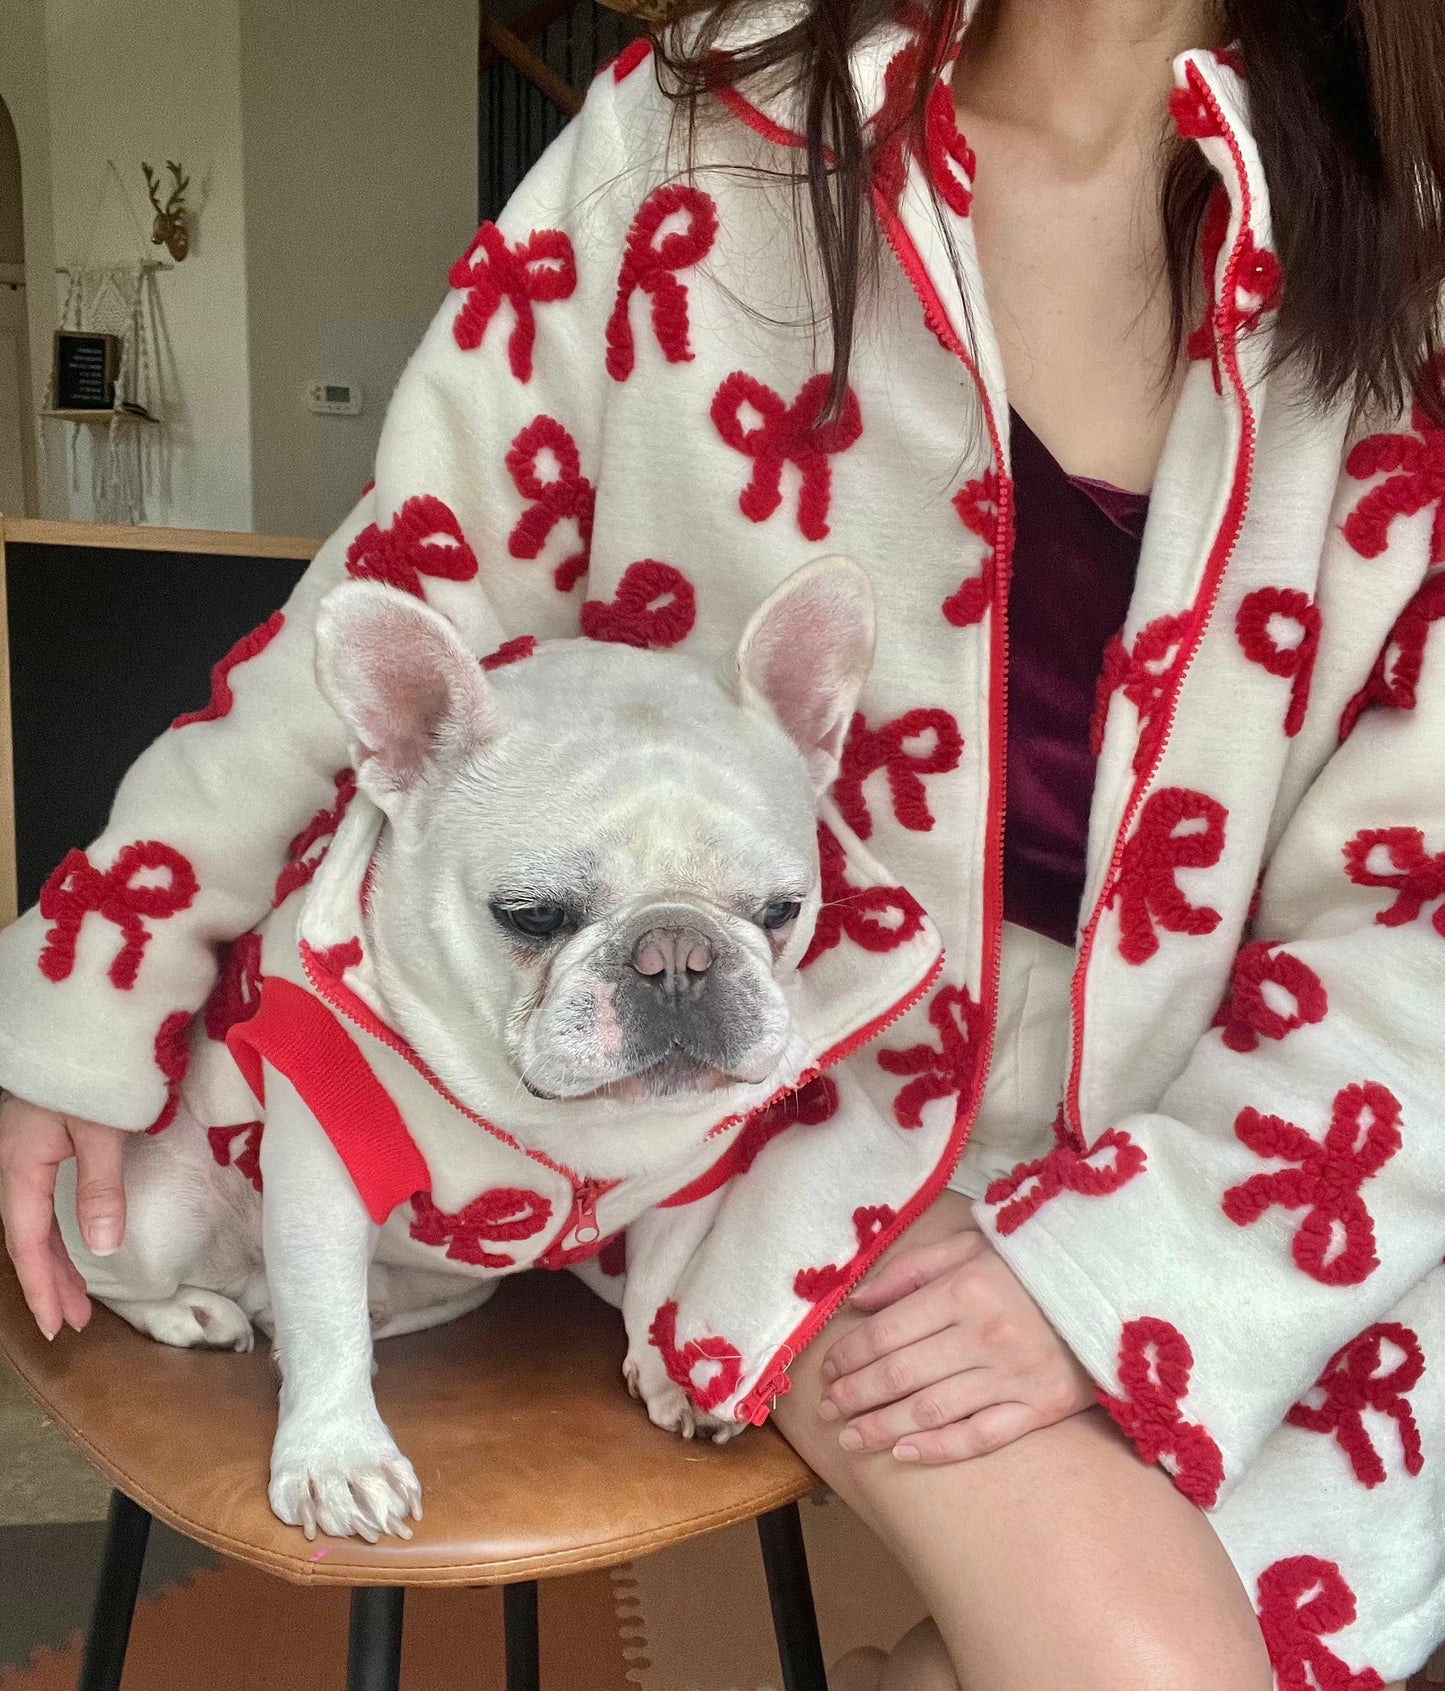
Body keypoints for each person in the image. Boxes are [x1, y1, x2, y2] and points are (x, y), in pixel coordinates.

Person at [2, 0, 1442, 1683]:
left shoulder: (1404, 254)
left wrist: (1136, 1262)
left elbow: (1413, 908)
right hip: (792, 1110)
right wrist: (98, 972)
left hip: (1259, 1126)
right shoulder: (701, 127)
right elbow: (411, 588)